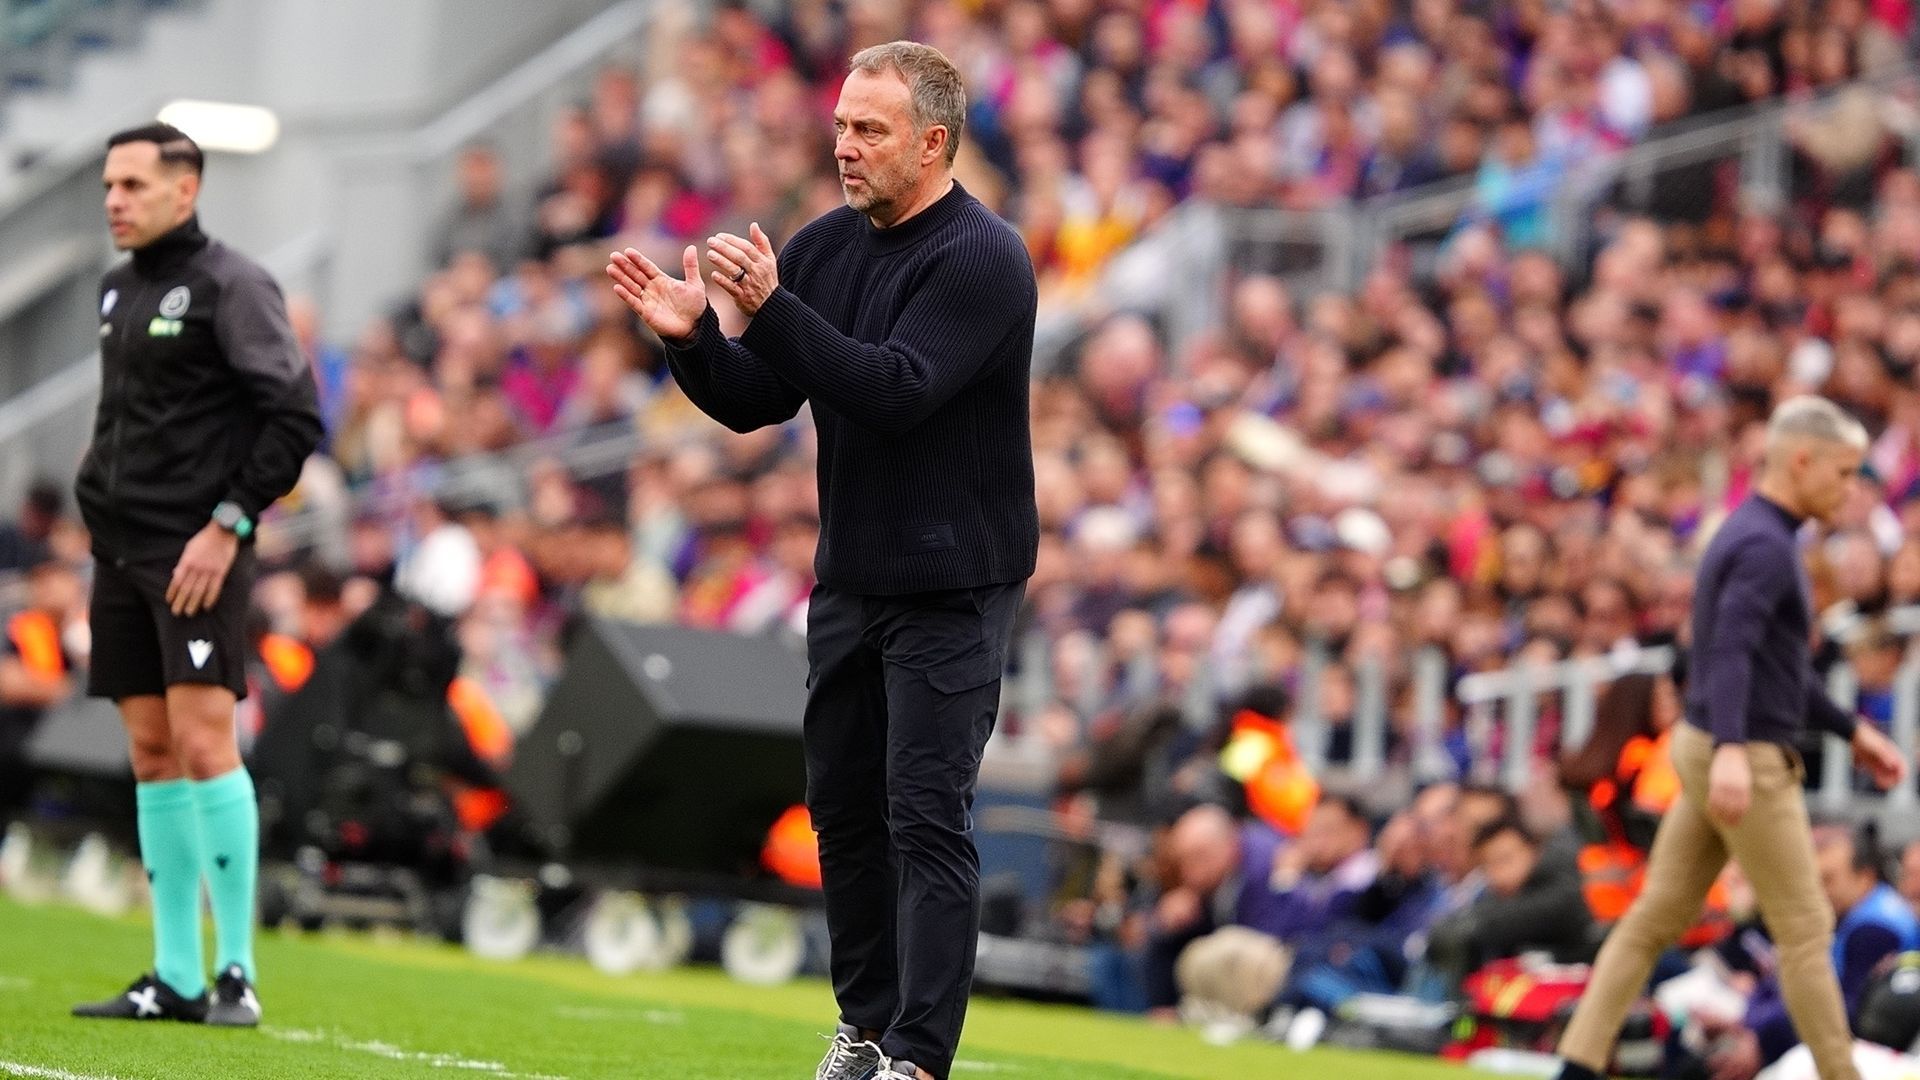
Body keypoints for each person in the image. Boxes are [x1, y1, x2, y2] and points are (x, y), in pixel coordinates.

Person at [605, 40, 1038, 1080]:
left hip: (953, 582)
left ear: (932, 144)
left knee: (924, 816)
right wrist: (693, 341)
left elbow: (894, 390)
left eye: (870, 129)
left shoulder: (983, 257)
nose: (844, 145)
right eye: (841, 124)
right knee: (843, 814)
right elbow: (759, 399)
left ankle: (917, 1059)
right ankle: (866, 1027)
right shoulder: (826, 247)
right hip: (853, 575)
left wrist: (773, 311)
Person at [1555, 396, 1909, 1080]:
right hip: (1742, 752)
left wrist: (1850, 731)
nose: (1851, 489)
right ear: (1801, 461)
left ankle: (1574, 1067)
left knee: (1653, 919)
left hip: (1711, 742)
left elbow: (1776, 666)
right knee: (1806, 928)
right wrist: (1733, 751)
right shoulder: (1767, 547)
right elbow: (1729, 653)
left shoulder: (1754, 532)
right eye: (1843, 472)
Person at [69, 123, 323, 1027]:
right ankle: (175, 975)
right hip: (119, 553)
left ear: (187, 189)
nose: (115, 200)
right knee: (150, 753)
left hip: (195, 554)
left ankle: (236, 973)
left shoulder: (232, 284)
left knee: (207, 744)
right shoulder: (115, 288)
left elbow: (295, 416)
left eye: (133, 185)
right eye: (110, 185)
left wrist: (229, 524)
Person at [1695, 823, 1920, 1079]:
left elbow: (1848, 1013)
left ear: (1864, 878)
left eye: (1828, 880)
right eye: (1815, 881)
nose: (1819, 891)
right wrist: (1750, 1027)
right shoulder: (1856, 912)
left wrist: (1762, 1041)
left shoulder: (1875, 928)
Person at [0, 555, 83, 822]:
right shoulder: (15, 622)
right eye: (42, 580)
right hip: (16, 739)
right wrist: (70, 689)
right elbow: (8, 681)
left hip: (67, 746)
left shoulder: (75, 631)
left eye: (59, 578)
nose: (51, 587)